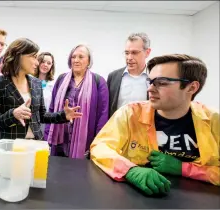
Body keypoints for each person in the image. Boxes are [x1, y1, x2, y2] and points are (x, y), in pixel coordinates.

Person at [90, 54, 219, 196]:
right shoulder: (131, 114)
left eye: (162, 82)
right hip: (137, 198)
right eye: (150, 81)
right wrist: (129, 170)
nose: (150, 89)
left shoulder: (213, 120)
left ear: (191, 87)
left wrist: (183, 168)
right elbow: (100, 147)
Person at [0, 38, 82, 141]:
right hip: (10, 145)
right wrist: (13, 114)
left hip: (35, 144)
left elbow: (42, 116)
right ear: (19, 55)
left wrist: (63, 115)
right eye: (34, 57)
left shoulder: (36, 83)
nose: (37, 63)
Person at [45, 44, 109, 159]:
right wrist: (46, 136)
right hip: (59, 139)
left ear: (89, 61)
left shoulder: (99, 82)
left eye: (81, 57)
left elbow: (103, 115)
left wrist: (97, 143)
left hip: (84, 141)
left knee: (78, 174)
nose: (76, 60)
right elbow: (51, 109)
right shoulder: (61, 79)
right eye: (73, 57)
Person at [107, 33, 151, 118]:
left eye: (134, 53)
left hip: (144, 129)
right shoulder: (113, 77)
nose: (129, 57)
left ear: (147, 52)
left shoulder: (154, 78)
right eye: (127, 53)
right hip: (117, 129)